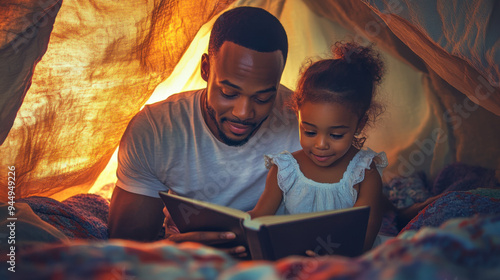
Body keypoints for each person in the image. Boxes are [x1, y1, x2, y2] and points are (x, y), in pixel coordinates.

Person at [108, 6, 301, 258]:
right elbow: (124, 251)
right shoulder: (155, 130)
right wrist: (170, 253)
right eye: (229, 93)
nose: (243, 113)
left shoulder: (305, 124)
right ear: (206, 69)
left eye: (263, 97)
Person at [248, 41, 388, 251]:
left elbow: (363, 236)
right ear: (298, 116)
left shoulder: (364, 173)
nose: (321, 144)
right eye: (310, 132)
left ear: (360, 124)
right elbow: (258, 218)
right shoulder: (285, 169)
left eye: (336, 135)